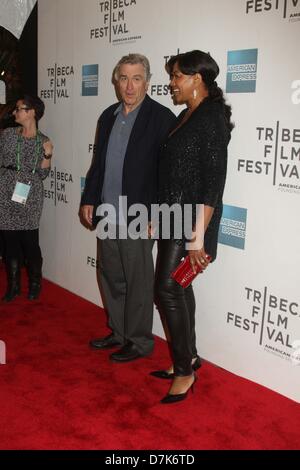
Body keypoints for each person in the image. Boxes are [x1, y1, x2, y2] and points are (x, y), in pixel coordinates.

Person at [80, 53, 175, 363]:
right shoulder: (107, 116)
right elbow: (99, 165)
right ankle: (119, 332)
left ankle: (139, 341)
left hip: (139, 215)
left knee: (137, 280)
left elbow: (168, 173)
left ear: (147, 81)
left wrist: (158, 213)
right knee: (112, 276)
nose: (129, 85)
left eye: (136, 78)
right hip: (108, 211)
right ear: (116, 81)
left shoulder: (161, 119)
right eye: (123, 78)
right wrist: (89, 199)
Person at [152, 50, 234, 403]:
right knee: (179, 289)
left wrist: (198, 238)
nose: (171, 83)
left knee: (167, 289)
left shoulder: (211, 117)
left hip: (192, 223)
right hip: (173, 217)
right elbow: (173, 172)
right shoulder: (186, 115)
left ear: (196, 79)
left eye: (176, 77)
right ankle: (191, 356)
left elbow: (213, 184)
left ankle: (184, 371)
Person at [0, 95, 53, 302]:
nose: (15, 112)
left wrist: (47, 156)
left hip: (29, 193)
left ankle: (35, 282)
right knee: (9, 241)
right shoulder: (8, 135)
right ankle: (13, 286)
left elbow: (42, 175)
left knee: (30, 241)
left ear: (32, 112)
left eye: (19, 109)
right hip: (5, 190)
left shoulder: (43, 141)